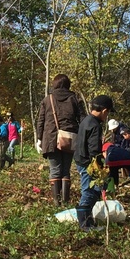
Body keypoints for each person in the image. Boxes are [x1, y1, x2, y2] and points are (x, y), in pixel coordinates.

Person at [34, 74, 85, 205]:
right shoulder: (75, 99)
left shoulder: (47, 100)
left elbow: (41, 121)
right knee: (66, 169)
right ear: (68, 84)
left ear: (55, 84)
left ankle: (57, 202)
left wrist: (39, 138)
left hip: (50, 138)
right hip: (69, 138)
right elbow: (83, 119)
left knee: (55, 169)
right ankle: (66, 200)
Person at [73, 94, 114, 231]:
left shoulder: (86, 121)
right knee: (89, 191)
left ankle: (88, 219)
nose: (106, 116)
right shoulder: (95, 125)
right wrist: (100, 168)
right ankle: (85, 225)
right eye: (107, 113)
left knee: (93, 190)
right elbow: (94, 150)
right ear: (104, 111)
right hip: (88, 163)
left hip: (80, 159)